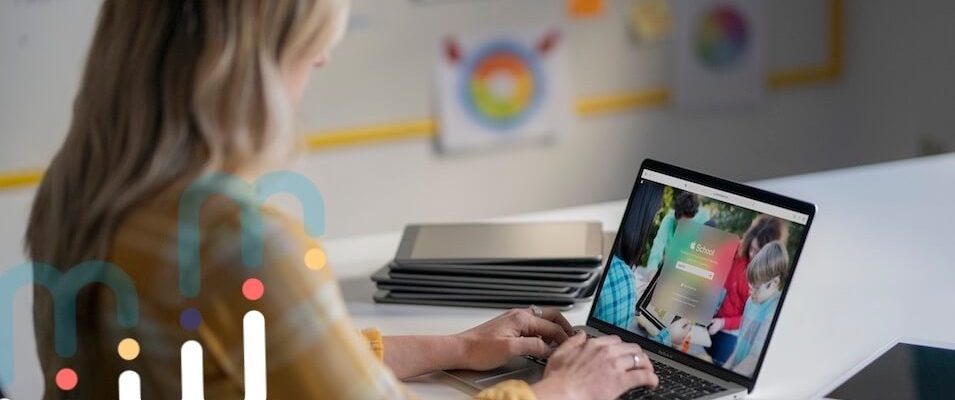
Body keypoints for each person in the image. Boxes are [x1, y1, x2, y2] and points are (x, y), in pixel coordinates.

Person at [23, 1, 659, 399]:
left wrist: (455, 349)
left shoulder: (83, 189)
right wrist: (566, 392)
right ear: (248, 60)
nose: (323, 59)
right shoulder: (234, 240)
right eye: (311, 37)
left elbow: (262, 369)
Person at [707, 215, 784, 364]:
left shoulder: (765, 280)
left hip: (729, 333)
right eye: (752, 248)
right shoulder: (738, 251)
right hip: (709, 317)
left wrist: (724, 323)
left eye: (758, 252)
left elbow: (751, 315)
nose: (752, 255)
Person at [723, 242, 790, 376]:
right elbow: (739, 346)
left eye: (756, 288)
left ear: (775, 283)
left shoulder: (776, 308)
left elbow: (755, 357)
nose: (750, 292)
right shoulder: (751, 301)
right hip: (736, 371)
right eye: (750, 286)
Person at [644, 191, 711, 275]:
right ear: (676, 217)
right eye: (682, 225)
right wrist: (651, 271)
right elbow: (657, 248)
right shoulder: (669, 220)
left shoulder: (704, 218)